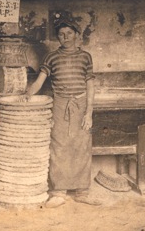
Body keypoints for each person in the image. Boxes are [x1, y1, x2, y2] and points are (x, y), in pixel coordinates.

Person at [25, 18, 101, 208]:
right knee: (58, 146)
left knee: (82, 146)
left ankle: (82, 191)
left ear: (76, 34)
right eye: (61, 34)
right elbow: (39, 82)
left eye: (69, 33)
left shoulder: (86, 57)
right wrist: (25, 95)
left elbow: (90, 85)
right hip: (59, 105)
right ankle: (58, 192)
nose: (65, 37)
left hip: (81, 104)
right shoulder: (51, 57)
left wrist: (89, 113)